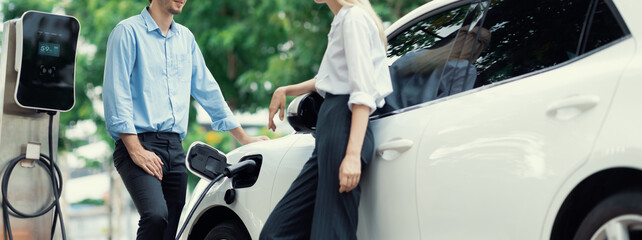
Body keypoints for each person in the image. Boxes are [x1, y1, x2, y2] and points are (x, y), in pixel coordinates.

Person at [102, 0, 268, 239]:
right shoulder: (127, 32)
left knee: (172, 229)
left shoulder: (185, 38)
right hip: (137, 144)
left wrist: (243, 137)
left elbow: (207, 88)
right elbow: (116, 93)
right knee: (156, 216)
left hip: (174, 148)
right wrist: (135, 149)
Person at [259, 0, 392, 239]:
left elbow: (362, 91)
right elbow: (330, 77)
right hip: (330, 129)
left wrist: (352, 155)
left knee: (331, 233)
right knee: (276, 232)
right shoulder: (344, 19)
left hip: (344, 127)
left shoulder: (354, 19)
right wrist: (286, 89)